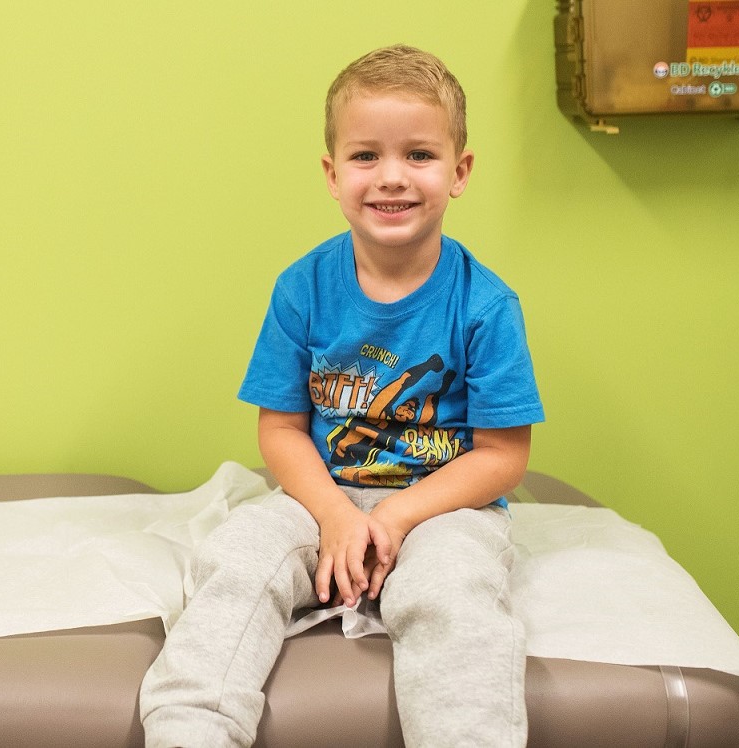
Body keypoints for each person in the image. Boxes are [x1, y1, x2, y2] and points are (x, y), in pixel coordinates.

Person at [138, 45, 544, 747]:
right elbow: (281, 432)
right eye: (365, 157)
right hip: (319, 494)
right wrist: (331, 513)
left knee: (453, 594)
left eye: (419, 155)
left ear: (460, 171)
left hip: (442, 505)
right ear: (332, 174)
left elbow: (503, 456)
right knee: (237, 559)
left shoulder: (486, 306)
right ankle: (190, 730)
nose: (391, 178)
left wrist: (395, 518)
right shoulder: (304, 287)